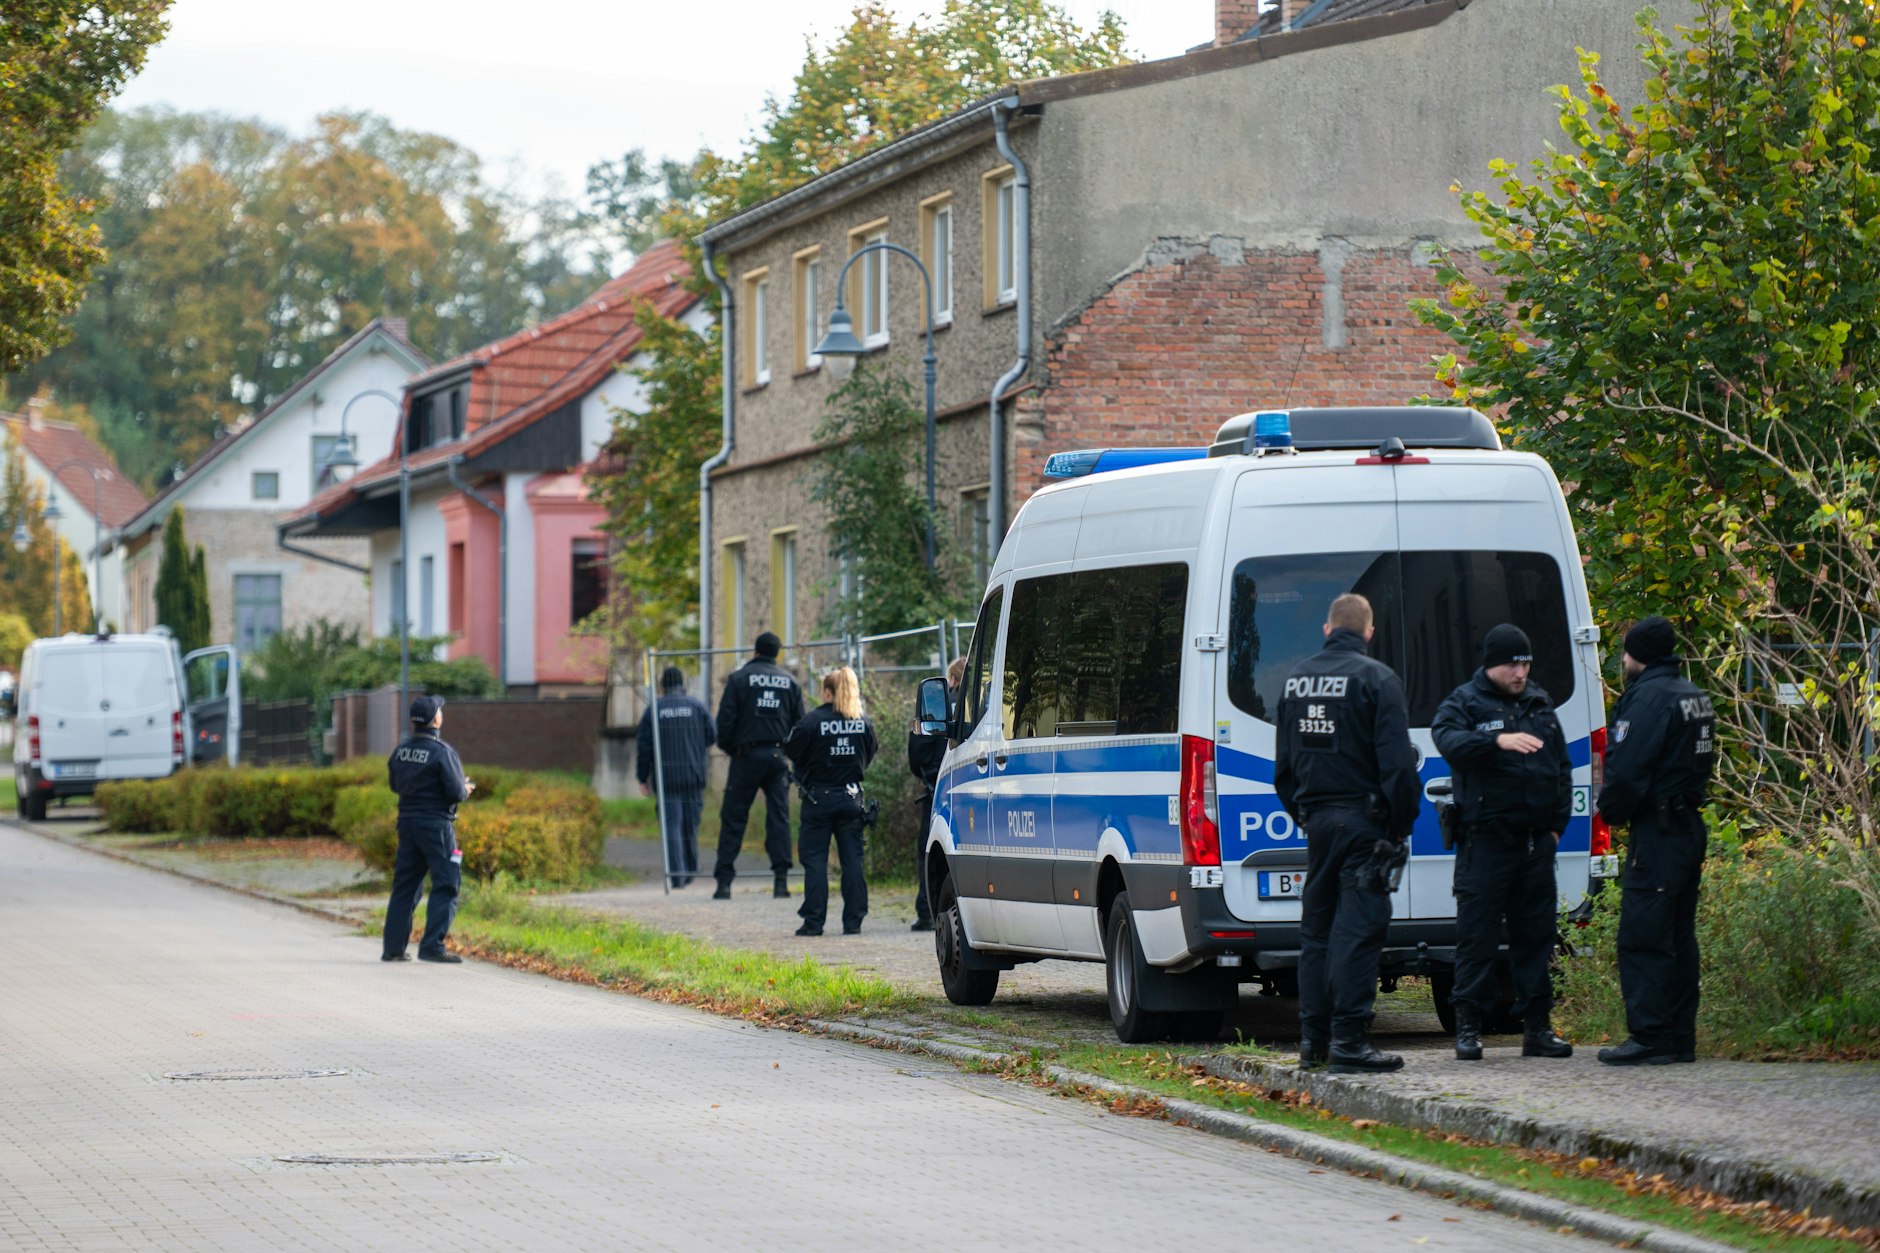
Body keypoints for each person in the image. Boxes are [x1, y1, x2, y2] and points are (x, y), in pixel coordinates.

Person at [1274, 593, 1420, 1074]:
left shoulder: (1296, 682)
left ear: (1326, 628)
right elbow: (1399, 767)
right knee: (1358, 932)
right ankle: (1350, 1043)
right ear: (1368, 632)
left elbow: (1284, 769)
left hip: (1318, 825)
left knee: (1316, 932)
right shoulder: (1378, 679)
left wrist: (1307, 814)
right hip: (1365, 825)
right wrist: (1398, 827)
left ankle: (1312, 1042)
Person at [1431, 624, 1574, 1062]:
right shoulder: (1465, 702)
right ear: (1491, 664)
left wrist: (1555, 828)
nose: (1521, 670)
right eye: (1513, 663)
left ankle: (1538, 1028)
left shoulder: (1539, 701)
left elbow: (1562, 767)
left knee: (1537, 938)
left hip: (1534, 845)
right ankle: (1469, 1028)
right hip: (1485, 843)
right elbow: (1448, 742)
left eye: (1526, 662)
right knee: (1477, 938)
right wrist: (1496, 740)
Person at [1596, 616, 1717, 1066]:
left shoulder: (1647, 699)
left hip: (1660, 830)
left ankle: (1650, 1037)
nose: (1623, 660)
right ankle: (1679, 1036)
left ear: (1638, 654)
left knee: (1645, 933)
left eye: (1626, 651)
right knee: (1679, 934)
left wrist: (1611, 812)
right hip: (1688, 825)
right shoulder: (1693, 695)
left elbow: (1628, 770)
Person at [711, 632, 805, 900]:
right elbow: (800, 727)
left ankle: (724, 882)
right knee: (779, 819)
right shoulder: (790, 682)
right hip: (777, 757)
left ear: (755, 651)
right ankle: (781, 881)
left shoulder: (739, 679)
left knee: (733, 818)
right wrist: (790, 756)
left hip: (745, 757)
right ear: (777, 654)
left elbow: (725, 721)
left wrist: (732, 749)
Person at [381, 694, 474, 964]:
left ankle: (393, 949)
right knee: (446, 883)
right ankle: (432, 947)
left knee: (406, 886)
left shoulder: (400, 750)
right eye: (440, 711)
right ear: (435, 719)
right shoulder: (443, 752)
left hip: (407, 824)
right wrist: (466, 788)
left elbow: (395, 785)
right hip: (437, 827)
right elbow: (456, 792)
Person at [786, 667, 878, 936]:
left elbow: (792, 750)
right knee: (853, 861)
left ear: (827, 692)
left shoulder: (811, 721)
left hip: (818, 799)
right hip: (851, 797)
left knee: (815, 860)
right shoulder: (863, 721)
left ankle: (814, 922)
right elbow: (869, 753)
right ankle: (854, 921)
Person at [637, 666, 715, 889]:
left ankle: (677, 874)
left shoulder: (655, 710)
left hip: (666, 779)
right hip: (693, 775)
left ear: (663, 685)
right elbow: (712, 735)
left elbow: (644, 747)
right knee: (691, 824)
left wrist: (643, 777)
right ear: (682, 684)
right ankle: (690, 869)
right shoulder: (696, 706)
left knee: (671, 826)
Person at [905, 656, 967, 932]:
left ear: (951, 680)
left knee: (928, 850)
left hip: (937, 787)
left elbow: (916, 749)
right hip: (971, 786)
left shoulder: (937, 707)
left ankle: (928, 911)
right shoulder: (979, 704)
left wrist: (926, 774)